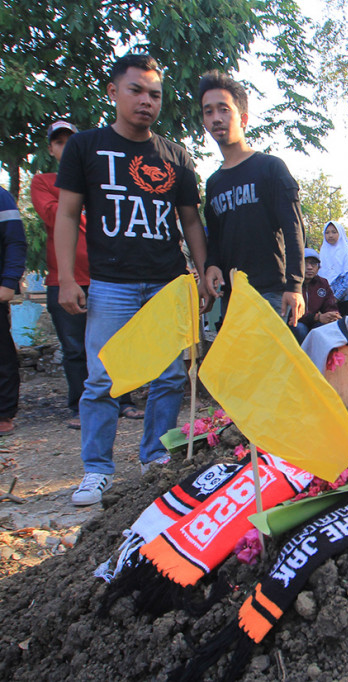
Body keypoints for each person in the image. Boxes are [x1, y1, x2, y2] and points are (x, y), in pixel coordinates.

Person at [54, 54, 211, 505]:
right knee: (103, 378)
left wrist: (201, 274)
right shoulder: (85, 148)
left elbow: (191, 222)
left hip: (166, 283)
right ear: (113, 92)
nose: (146, 101)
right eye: (136, 90)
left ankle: (154, 459)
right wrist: (68, 278)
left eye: (155, 94)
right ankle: (97, 470)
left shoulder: (176, 157)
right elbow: (66, 215)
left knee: (166, 377)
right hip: (110, 283)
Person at [30, 121, 140, 428]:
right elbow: (54, 215)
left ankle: (124, 401)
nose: (65, 147)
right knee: (76, 348)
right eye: (59, 142)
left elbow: (118, 215)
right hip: (65, 279)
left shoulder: (99, 178)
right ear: (51, 149)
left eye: (71, 141)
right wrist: (81, 206)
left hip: (107, 276)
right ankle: (81, 407)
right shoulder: (43, 181)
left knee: (118, 344)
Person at [198, 72, 304, 327]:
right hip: (232, 297)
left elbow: (293, 227)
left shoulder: (270, 168)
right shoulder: (213, 183)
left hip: (271, 294)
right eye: (208, 112)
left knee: (272, 367)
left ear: (243, 118)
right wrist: (211, 265)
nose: (217, 118)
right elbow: (214, 239)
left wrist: (295, 285)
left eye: (224, 109)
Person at [0, 187, 26, 436]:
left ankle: (3, 412)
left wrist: (9, 282)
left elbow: (15, 241)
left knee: (2, 354)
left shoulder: (1, 197)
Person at [296, 248, 341, 342]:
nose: (309, 267)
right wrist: (317, 317)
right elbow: (291, 314)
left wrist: (333, 316)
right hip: (296, 322)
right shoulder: (292, 283)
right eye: (305, 263)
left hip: (315, 322)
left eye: (313, 264)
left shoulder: (322, 283)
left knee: (326, 328)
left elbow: (330, 306)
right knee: (300, 329)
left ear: (318, 267)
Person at [318, 220, 348, 316]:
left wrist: (335, 298)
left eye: (334, 232)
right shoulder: (323, 253)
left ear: (340, 233)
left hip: (343, 301)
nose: (330, 235)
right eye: (327, 233)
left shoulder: (346, 252)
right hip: (325, 301)